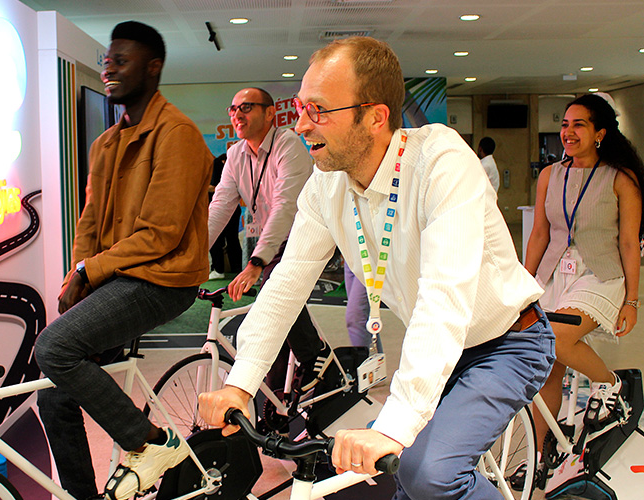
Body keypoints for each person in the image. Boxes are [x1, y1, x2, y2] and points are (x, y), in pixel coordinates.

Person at [198, 37, 554, 499]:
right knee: (399, 478)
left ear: (375, 116)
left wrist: (395, 424)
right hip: (441, 353)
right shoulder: (326, 185)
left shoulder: (440, 161)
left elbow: (444, 296)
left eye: (318, 110)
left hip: (507, 343)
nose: (301, 125)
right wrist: (241, 383)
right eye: (301, 108)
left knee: (427, 475)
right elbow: (286, 283)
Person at [34, 21, 213, 500]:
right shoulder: (106, 143)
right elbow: (90, 221)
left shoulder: (177, 134)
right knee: (52, 397)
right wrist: (79, 274)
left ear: (153, 68)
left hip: (164, 279)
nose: (108, 69)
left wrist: (89, 271)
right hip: (118, 277)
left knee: (53, 348)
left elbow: (161, 234)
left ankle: (150, 441)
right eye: (107, 61)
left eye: (121, 60)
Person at [524, 93, 644, 462]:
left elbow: (628, 242)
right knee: (546, 365)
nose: (568, 132)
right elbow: (540, 234)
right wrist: (522, 284)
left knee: (557, 336)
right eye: (565, 124)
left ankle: (612, 384)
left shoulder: (621, 178)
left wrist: (632, 300)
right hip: (554, 274)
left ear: (599, 133)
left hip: (601, 275)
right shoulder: (550, 175)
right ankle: (540, 456)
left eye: (578, 125)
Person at [208, 87, 328, 392]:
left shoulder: (288, 145)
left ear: (270, 113)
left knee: (273, 297)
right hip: (274, 240)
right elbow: (220, 206)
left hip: (306, 235)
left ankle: (312, 354)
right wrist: (195, 254)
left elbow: (284, 207)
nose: (237, 114)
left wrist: (256, 262)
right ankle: (278, 396)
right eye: (233, 109)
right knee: (275, 314)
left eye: (246, 107)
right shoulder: (235, 155)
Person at [208, 154, 243, 279]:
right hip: (229, 207)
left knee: (220, 238)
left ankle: (219, 269)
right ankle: (236, 268)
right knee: (231, 239)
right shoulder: (223, 164)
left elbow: (215, 187)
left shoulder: (217, 163)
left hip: (224, 207)